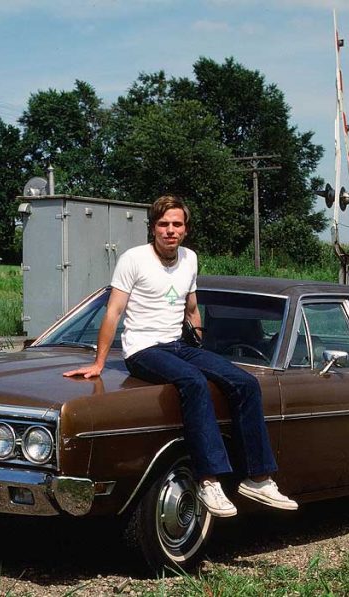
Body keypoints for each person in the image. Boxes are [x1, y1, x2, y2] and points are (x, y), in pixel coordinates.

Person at [63, 195, 297, 517]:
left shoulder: (189, 258)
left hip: (178, 345)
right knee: (193, 382)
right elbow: (113, 312)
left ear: (185, 229)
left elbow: (191, 308)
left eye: (177, 224)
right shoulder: (134, 259)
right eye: (163, 224)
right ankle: (209, 479)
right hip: (143, 349)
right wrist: (99, 362)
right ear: (153, 228)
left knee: (244, 382)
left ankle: (258, 478)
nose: (170, 230)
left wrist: (199, 350)